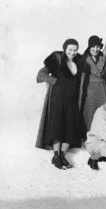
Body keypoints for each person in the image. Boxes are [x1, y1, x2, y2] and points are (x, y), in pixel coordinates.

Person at [36, 39, 87, 169]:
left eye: (75, 50)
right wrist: (54, 81)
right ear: (64, 49)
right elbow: (41, 74)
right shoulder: (57, 59)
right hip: (57, 98)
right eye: (70, 49)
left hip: (72, 100)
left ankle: (62, 156)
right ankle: (56, 156)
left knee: (70, 129)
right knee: (57, 128)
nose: (72, 52)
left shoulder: (79, 62)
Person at [81, 35, 106, 132]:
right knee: (89, 114)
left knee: (102, 115)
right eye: (93, 47)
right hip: (89, 91)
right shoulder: (83, 59)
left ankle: (101, 135)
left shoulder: (103, 59)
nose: (95, 49)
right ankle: (87, 137)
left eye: (98, 47)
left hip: (102, 90)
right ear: (89, 47)